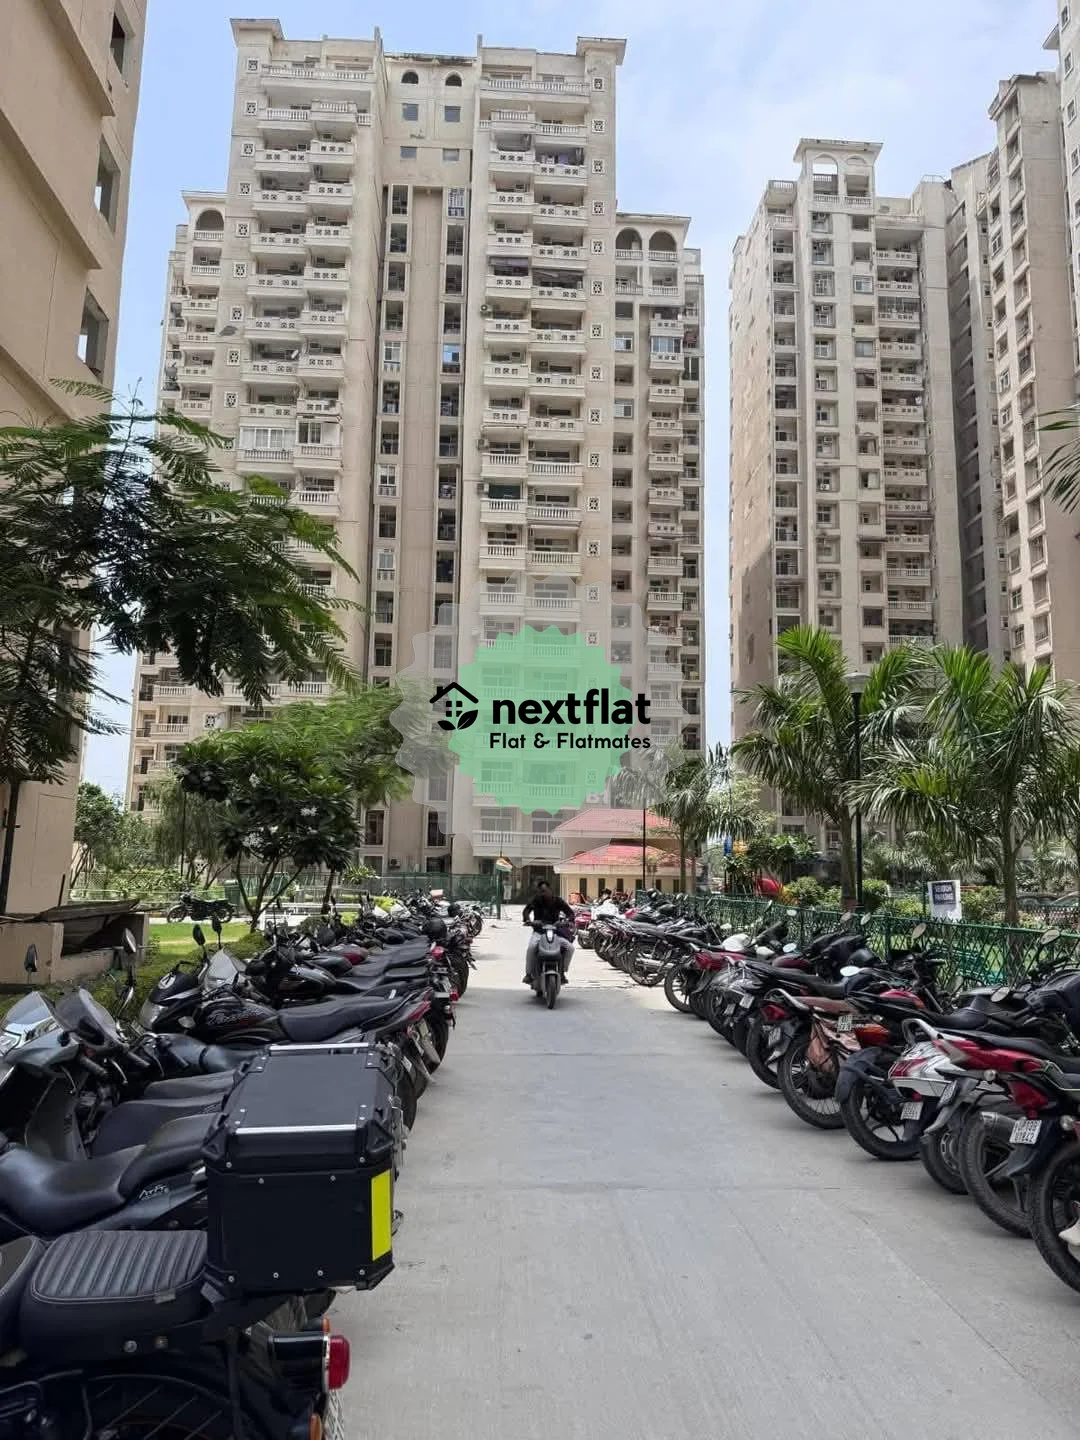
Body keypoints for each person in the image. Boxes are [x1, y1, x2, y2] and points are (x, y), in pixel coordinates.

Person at [521, 880, 575, 986]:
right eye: (541, 891)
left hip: (555, 933)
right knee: (531, 948)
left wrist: (565, 921)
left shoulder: (558, 901)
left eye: (544, 891)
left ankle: (562, 972)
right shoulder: (536, 900)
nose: (542, 893)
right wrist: (528, 920)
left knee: (570, 948)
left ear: (550, 890)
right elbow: (526, 910)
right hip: (539, 932)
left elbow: (570, 913)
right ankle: (528, 974)